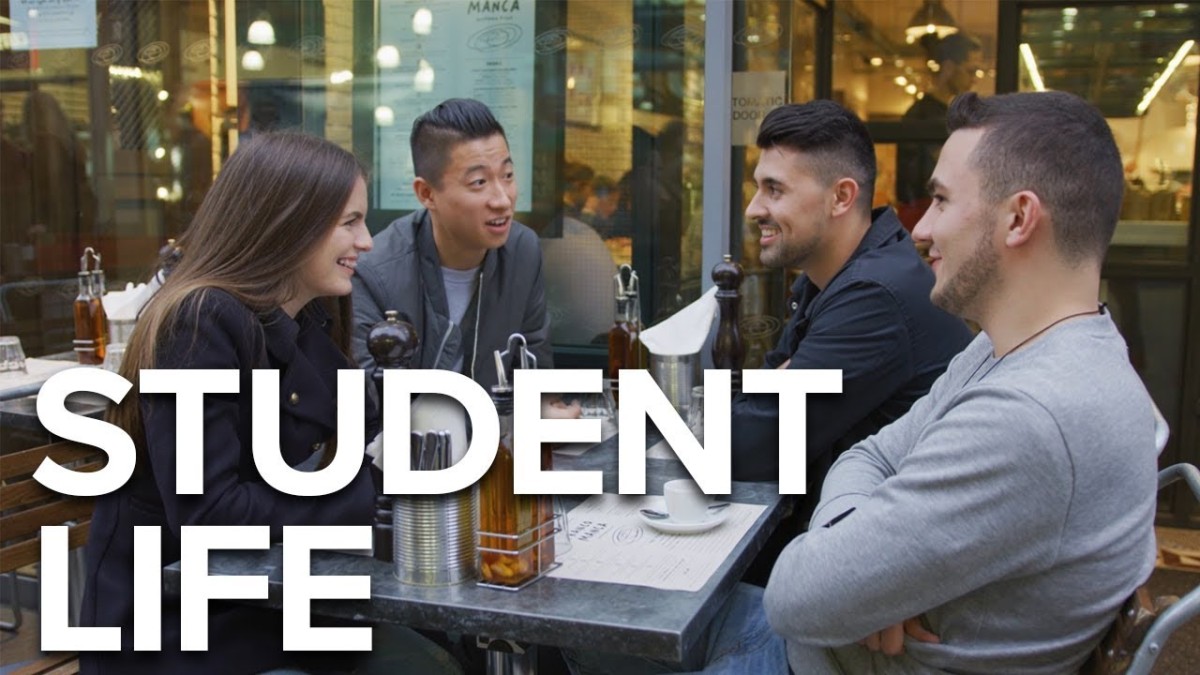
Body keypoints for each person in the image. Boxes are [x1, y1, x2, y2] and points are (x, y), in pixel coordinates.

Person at [762, 91, 1159, 673]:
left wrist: (851, 575)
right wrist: (866, 563)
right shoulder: (1016, 350)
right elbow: (870, 455)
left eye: (943, 201)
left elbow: (793, 599)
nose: (920, 227)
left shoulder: (1030, 415)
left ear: (1019, 219)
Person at [81, 132, 460, 675]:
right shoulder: (199, 321)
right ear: (288, 222)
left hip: (280, 606)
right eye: (349, 222)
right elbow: (211, 516)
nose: (368, 241)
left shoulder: (307, 317)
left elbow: (373, 440)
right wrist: (370, 496)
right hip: (182, 633)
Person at [729, 100, 972, 496]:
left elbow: (746, 448)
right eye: (758, 188)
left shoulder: (874, 294)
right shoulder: (830, 277)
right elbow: (757, 405)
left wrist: (777, 386)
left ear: (841, 197)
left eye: (774, 189)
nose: (753, 209)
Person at [352, 98, 551, 388]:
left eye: (507, 176)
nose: (502, 199)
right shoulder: (374, 272)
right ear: (427, 194)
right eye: (479, 182)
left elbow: (535, 369)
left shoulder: (523, 251)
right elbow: (368, 402)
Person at [895, 32, 983, 231]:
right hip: (927, 218)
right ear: (950, 67)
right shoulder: (923, 116)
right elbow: (916, 185)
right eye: (971, 71)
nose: (974, 79)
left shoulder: (941, 113)